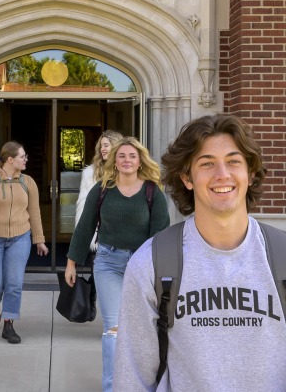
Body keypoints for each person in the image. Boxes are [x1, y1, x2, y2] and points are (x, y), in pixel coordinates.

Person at [113, 114, 286, 391]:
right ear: (187, 178)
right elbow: (132, 378)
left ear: (250, 174)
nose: (222, 174)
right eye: (207, 163)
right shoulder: (152, 263)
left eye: (233, 161)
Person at [65, 136, 170, 392]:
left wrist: (160, 270)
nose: (127, 160)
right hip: (108, 262)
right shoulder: (102, 190)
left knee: (141, 329)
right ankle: (112, 387)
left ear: (140, 161)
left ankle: (138, 381)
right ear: (114, 160)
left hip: (142, 266)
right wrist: (71, 262)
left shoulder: (152, 192)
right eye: (121, 156)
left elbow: (160, 234)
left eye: (132, 156)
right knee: (113, 329)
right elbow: (84, 228)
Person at [0, 141, 49, 344]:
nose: (26, 160)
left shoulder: (28, 182)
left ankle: (9, 324)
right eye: (22, 157)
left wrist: (39, 240)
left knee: (14, 283)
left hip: (20, 237)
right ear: (10, 159)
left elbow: (35, 213)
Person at [73, 130, 124, 238]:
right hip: (97, 234)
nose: (102, 149)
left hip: (121, 232)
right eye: (101, 146)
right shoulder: (90, 173)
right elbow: (83, 205)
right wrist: (82, 234)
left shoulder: (126, 172)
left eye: (106, 145)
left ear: (116, 146)